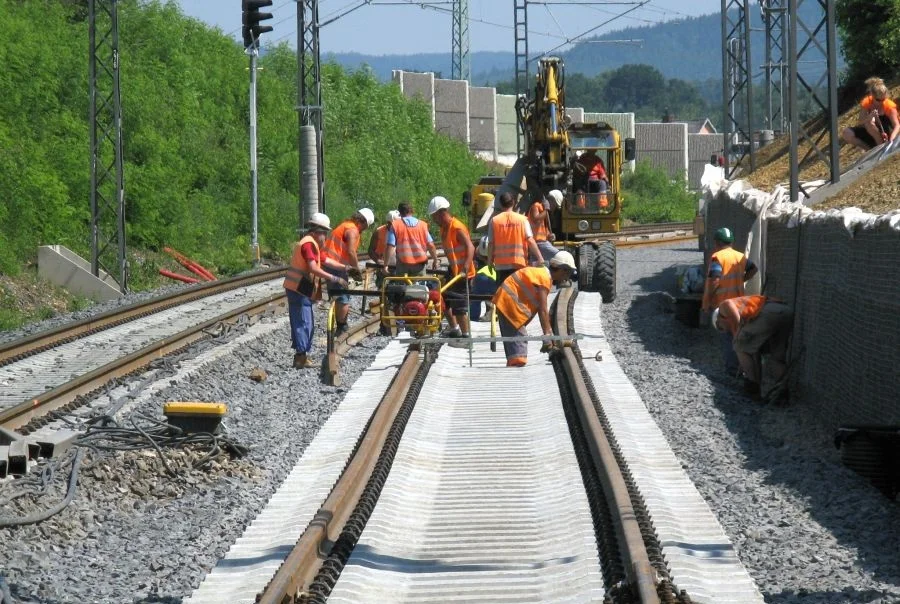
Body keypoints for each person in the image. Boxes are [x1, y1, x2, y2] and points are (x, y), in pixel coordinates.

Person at [283, 213, 349, 368]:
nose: (325, 237)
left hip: (301, 289)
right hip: (298, 289)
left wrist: (345, 268)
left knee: (306, 322)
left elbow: (325, 260)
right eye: (324, 233)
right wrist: (335, 278)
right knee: (303, 323)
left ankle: (302, 355)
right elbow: (313, 267)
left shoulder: (312, 244)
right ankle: (300, 357)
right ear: (318, 231)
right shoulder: (308, 244)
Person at [492, 251, 576, 367]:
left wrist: (549, 335)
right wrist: (547, 335)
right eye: (568, 273)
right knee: (518, 355)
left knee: (515, 347)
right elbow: (543, 310)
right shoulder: (544, 278)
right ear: (563, 270)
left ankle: (513, 367)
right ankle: (515, 372)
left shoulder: (542, 274)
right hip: (509, 305)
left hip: (507, 303)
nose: (567, 278)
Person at [713, 295, 793, 402]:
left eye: (721, 328)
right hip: (785, 312)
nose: (725, 330)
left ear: (719, 320)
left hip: (769, 312)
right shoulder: (747, 316)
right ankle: (782, 394)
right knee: (777, 358)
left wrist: (737, 339)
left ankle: (752, 388)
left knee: (739, 345)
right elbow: (752, 350)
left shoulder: (724, 306)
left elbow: (738, 330)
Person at [701, 227, 758, 375]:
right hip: (739, 302)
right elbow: (753, 269)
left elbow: (715, 280)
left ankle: (732, 368)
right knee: (737, 333)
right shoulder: (740, 256)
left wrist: (706, 302)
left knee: (728, 336)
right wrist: (741, 280)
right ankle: (741, 366)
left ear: (717, 242)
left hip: (723, 304)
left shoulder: (717, 257)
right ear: (731, 242)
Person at [428, 195, 476, 339]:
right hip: (454, 271)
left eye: (434, 216)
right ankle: (455, 329)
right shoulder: (444, 229)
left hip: (463, 273)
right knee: (443, 299)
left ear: (442, 213)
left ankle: (466, 336)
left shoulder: (457, 227)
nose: (433, 220)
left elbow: (471, 247)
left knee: (459, 305)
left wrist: (466, 267)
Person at [323, 207, 375, 335]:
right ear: (362, 222)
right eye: (366, 227)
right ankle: (342, 327)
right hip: (336, 266)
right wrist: (356, 270)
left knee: (336, 294)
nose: (364, 230)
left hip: (330, 264)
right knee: (343, 295)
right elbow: (351, 252)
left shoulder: (345, 225)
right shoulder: (352, 230)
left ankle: (338, 325)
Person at [487, 191, 542, 284]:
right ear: (513, 202)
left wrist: (489, 262)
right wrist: (540, 258)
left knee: (504, 293)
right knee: (518, 291)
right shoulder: (522, 220)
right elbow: (530, 240)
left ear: (500, 204)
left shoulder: (494, 221)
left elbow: (491, 244)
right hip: (518, 263)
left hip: (501, 265)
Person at [841, 77, 900, 151]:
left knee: (869, 123)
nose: (881, 102)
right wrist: (869, 117)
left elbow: (897, 125)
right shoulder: (867, 103)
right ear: (872, 96)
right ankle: (870, 151)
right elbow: (860, 121)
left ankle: (881, 147)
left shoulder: (889, 106)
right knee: (847, 133)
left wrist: (892, 138)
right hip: (872, 132)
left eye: (883, 99)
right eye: (878, 100)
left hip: (888, 132)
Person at [385, 202, 439, 277]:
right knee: (419, 287)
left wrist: (385, 265)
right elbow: (431, 245)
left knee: (402, 287)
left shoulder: (395, 225)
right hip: (419, 266)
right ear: (412, 211)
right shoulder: (422, 225)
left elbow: (390, 246)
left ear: (400, 212)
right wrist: (435, 260)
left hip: (402, 266)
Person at [470, 238, 498, 321]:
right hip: (496, 276)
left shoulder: (482, 244)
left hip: (481, 276)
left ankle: (473, 316)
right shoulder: (495, 243)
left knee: (476, 297)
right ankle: (494, 313)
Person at [529, 191, 560, 264]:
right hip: (538, 242)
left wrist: (550, 236)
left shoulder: (544, 212)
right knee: (560, 256)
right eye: (555, 205)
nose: (554, 208)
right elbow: (536, 220)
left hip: (541, 243)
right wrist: (546, 210)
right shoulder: (536, 206)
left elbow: (543, 230)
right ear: (551, 200)